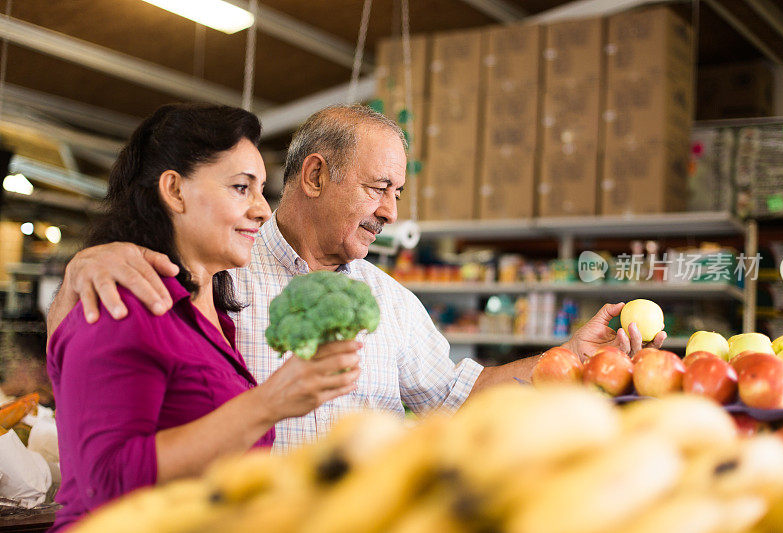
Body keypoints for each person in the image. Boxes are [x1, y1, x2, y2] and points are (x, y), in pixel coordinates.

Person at [47, 105, 666, 454]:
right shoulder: (216, 265)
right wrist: (90, 259)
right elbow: (98, 358)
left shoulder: (390, 301)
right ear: (314, 176)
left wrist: (567, 357)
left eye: (397, 191)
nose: (392, 212)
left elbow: (457, 395)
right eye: (377, 188)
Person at [46, 104, 361, 530]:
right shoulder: (125, 304)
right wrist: (268, 403)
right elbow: (102, 483)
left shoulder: (212, 317)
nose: (263, 211)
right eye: (240, 187)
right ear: (174, 191)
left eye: (261, 190)